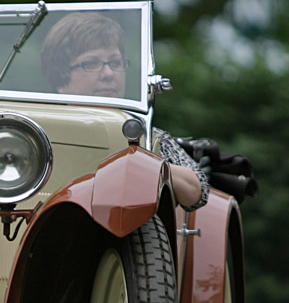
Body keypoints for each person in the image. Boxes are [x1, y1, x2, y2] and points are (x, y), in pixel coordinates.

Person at [41, 12, 209, 211]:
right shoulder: (38, 134)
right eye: (92, 64)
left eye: (115, 62)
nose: (109, 74)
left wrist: (144, 163)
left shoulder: (141, 132)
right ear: (61, 78)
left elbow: (198, 192)